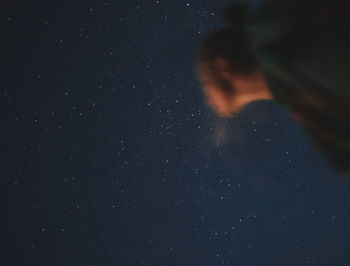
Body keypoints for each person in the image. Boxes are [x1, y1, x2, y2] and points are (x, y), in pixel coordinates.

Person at [197, 1, 350, 175]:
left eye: (205, 83)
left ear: (221, 67)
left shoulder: (283, 42)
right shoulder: (296, 100)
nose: (208, 99)